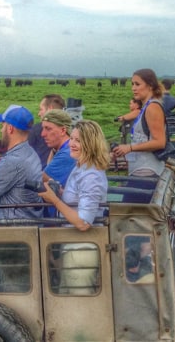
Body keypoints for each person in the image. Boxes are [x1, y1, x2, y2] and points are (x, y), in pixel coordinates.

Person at [38, 120, 110, 295]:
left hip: (82, 251)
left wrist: (55, 200)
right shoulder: (82, 167)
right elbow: (78, 200)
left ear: (90, 144)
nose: (71, 144)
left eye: (78, 140)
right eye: (72, 139)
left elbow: (84, 222)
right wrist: (59, 191)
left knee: (79, 303)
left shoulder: (91, 175)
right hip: (74, 247)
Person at [112, 68, 167, 178]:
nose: (133, 88)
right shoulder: (145, 107)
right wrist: (124, 150)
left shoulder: (153, 107)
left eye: (137, 84)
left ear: (150, 86)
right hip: (139, 168)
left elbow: (160, 142)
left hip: (147, 171)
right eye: (132, 84)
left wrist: (130, 148)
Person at [41, 110, 77, 187]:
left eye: (48, 129)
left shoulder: (67, 154)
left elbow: (41, 179)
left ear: (63, 130)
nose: (42, 134)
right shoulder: (63, 149)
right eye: (43, 128)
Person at [28, 94, 65, 169]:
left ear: (50, 109)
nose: (39, 114)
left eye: (41, 109)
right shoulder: (72, 131)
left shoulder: (37, 130)